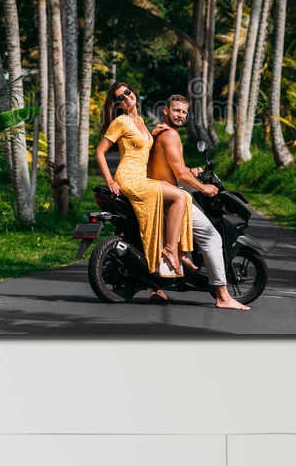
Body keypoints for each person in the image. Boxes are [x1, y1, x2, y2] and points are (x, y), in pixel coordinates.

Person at [150, 93, 250, 311]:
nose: (181, 115)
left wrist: (193, 172)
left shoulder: (157, 133)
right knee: (211, 237)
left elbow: (171, 169)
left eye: (185, 112)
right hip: (169, 197)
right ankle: (223, 296)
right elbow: (180, 174)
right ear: (165, 110)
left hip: (157, 192)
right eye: (177, 110)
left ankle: (156, 286)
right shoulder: (171, 136)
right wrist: (204, 187)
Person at [93, 82, 190, 291]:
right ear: (117, 104)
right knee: (180, 197)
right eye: (120, 98)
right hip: (129, 178)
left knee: (179, 198)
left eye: (127, 93)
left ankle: (178, 254)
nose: (126, 98)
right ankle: (171, 250)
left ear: (134, 93)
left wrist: (154, 134)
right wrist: (110, 180)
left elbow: (142, 148)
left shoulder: (141, 122)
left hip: (142, 178)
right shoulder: (121, 121)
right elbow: (100, 152)